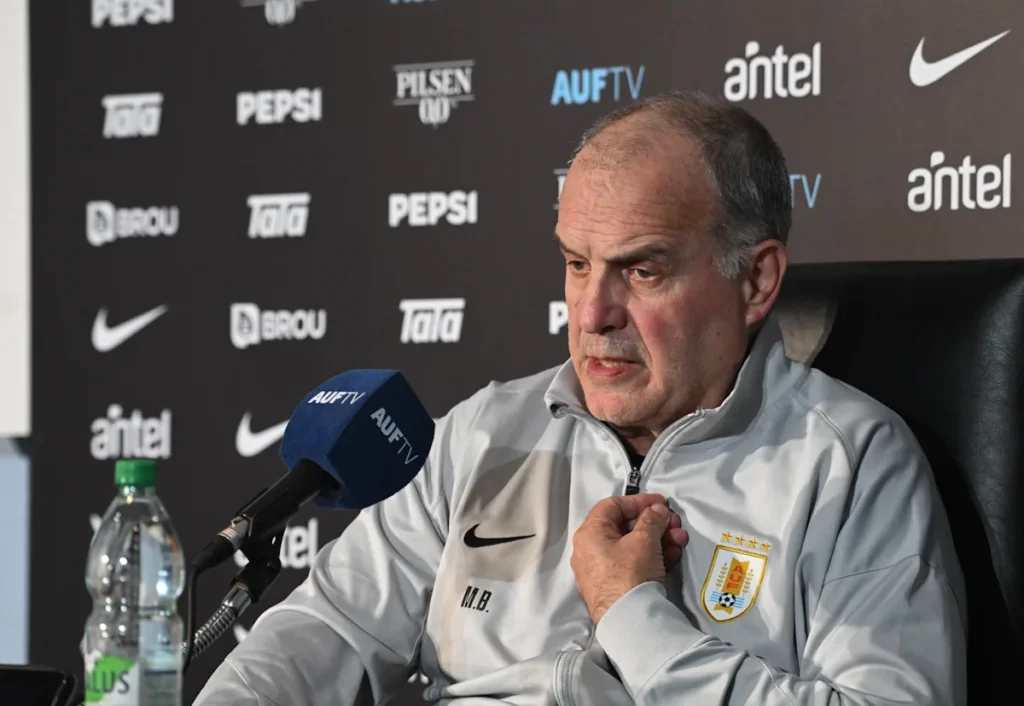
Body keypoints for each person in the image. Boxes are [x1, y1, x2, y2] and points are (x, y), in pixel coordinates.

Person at [194, 90, 967, 705]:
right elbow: (327, 630)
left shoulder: (847, 463)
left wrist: (634, 617)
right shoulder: (483, 433)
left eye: (642, 271)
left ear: (756, 281)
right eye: (576, 264)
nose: (593, 313)